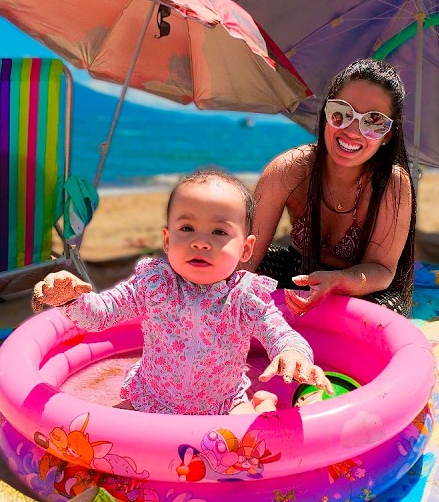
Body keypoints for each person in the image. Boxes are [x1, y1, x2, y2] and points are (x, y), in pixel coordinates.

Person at [33, 168, 333, 415]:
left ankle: (260, 400)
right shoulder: (153, 285)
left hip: (222, 404)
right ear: (167, 240)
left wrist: (292, 353)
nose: (200, 242)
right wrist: (71, 298)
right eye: (187, 228)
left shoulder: (245, 298)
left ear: (245, 249)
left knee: (253, 448)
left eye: (219, 232)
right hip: (153, 400)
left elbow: (281, 334)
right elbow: (99, 316)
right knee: (104, 438)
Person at [244, 59, 417, 317]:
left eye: (373, 122)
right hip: (297, 272)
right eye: (342, 113)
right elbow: (248, 256)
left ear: (387, 136)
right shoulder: (290, 170)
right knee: (235, 276)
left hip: (360, 289)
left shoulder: (392, 184)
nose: (352, 130)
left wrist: (338, 281)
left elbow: (381, 270)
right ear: (326, 113)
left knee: (386, 313)